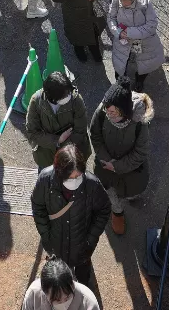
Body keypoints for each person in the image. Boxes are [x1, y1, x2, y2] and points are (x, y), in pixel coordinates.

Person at [31, 144, 111, 297]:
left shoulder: (92, 184)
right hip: (55, 243)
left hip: (82, 246)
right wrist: (46, 235)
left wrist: (91, 238)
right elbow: (38, 206)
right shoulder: (45, 180)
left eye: (78, 176)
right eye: (70, 177)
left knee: (83, 272)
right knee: (59, 277)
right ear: (59, 172)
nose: (74, 181)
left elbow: (104, 210)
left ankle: (84, 289)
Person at [89, 82, 153, 235]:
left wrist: (117, 166)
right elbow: (95, 135)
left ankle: (130, 197)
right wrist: (107, 160)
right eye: (107, 110)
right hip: (105, 167)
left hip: (131, 171)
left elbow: (140, 153)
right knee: (110, 192)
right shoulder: (103, 110)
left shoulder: (139, 123)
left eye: (112, 112)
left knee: (132, 192)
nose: (108, 114)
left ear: (123, 111)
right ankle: (117, 213)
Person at [26, 71, 92, 168]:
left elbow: (80, 131)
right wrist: (57, 140)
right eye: (65, 95)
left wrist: (64, 149)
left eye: (69, 92)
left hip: (72, 155)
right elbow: (32, 133)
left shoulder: (76, 100)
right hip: (46, 157)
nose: (68, 96)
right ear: (52, 97)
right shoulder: (36, 101)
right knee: (47, 176)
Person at [22, 259, 101, 310]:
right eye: (57, 300)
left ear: (73, 284)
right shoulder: (33, 294)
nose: (63, 305)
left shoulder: (89, 304)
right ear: (44, 291)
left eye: (67, 297)